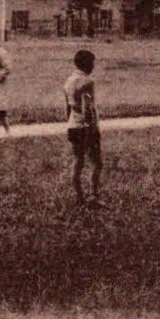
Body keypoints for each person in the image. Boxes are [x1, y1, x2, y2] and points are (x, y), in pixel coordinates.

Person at [64, 49, 101, 207]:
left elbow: (67, 107)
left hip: (73, 124)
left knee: (78, 161)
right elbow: (88, 108)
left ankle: (79, 197)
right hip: (85, 126)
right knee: (97, 162)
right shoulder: (87, 82)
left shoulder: (68, 81)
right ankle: (93, 196)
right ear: (87, 64)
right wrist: (92, 127)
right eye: (92, 63)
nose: (93, 66)